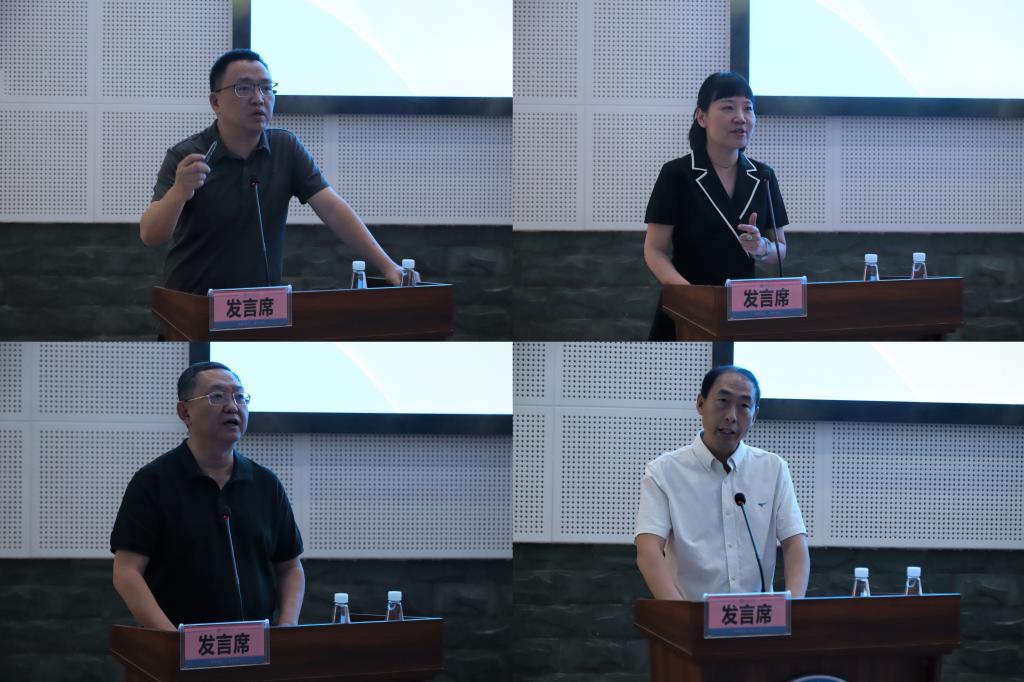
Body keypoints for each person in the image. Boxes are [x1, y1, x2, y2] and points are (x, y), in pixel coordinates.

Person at [140, 48, 411, 293]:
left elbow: (332, 208)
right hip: (193, 306)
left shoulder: (285, 148)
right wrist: (179, 192)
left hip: (261, 308)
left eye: (267, 88)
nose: (259, 99)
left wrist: (388, 266)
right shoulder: (188, 155)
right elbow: (151, 236)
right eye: (243, 88)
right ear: (215, 102)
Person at [110, 362, 304, 629]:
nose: (232, 407)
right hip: (184, 645)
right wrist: (172, 642)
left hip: (256, 645)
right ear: (184, 412)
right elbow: (126, 572)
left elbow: (290, 567)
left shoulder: (265, 484)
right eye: (217, 396)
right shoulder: (153, 482)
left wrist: (287, 626)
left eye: (239, 397)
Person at [635, 365, 809, 601]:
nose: (731, 416)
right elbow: (648, 551)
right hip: (691, 614)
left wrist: (792, 609)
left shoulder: (773, 469)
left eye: (744, 406)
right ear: (700, 404)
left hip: (756, 617)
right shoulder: (663, 472)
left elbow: (794, 543)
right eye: (723, 401)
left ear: (755, 415)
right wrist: (680, 615)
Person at [643, 71, 790, 340]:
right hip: (688, 308)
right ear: (701, 117)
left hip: (744, 308)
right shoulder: (677, 174)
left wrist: (761, 248)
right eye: (728, 107)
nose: (741, 117)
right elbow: (654, 250)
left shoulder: (763, 176)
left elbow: (780, 249)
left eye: (748, 108)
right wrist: (691, 296)